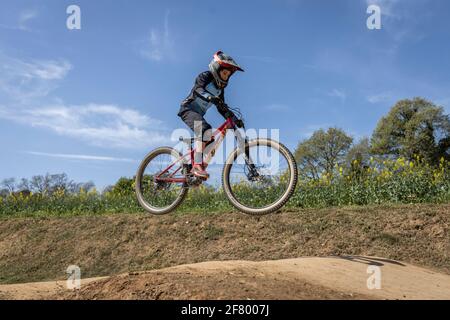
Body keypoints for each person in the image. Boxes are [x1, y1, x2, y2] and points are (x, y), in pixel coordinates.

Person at [178, 51, 244, 179]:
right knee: (205, 129)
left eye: (228, 75)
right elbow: (198, 89)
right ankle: (197, 165)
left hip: (198, 114)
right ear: (216, 69)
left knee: (211, 141)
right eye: (224, 73)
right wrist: (209, 96)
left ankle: (198, 171)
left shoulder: (220, 89)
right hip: (187, 109)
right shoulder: (205, 76)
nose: (226, 76)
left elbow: (222, 107)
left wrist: (235, 119)